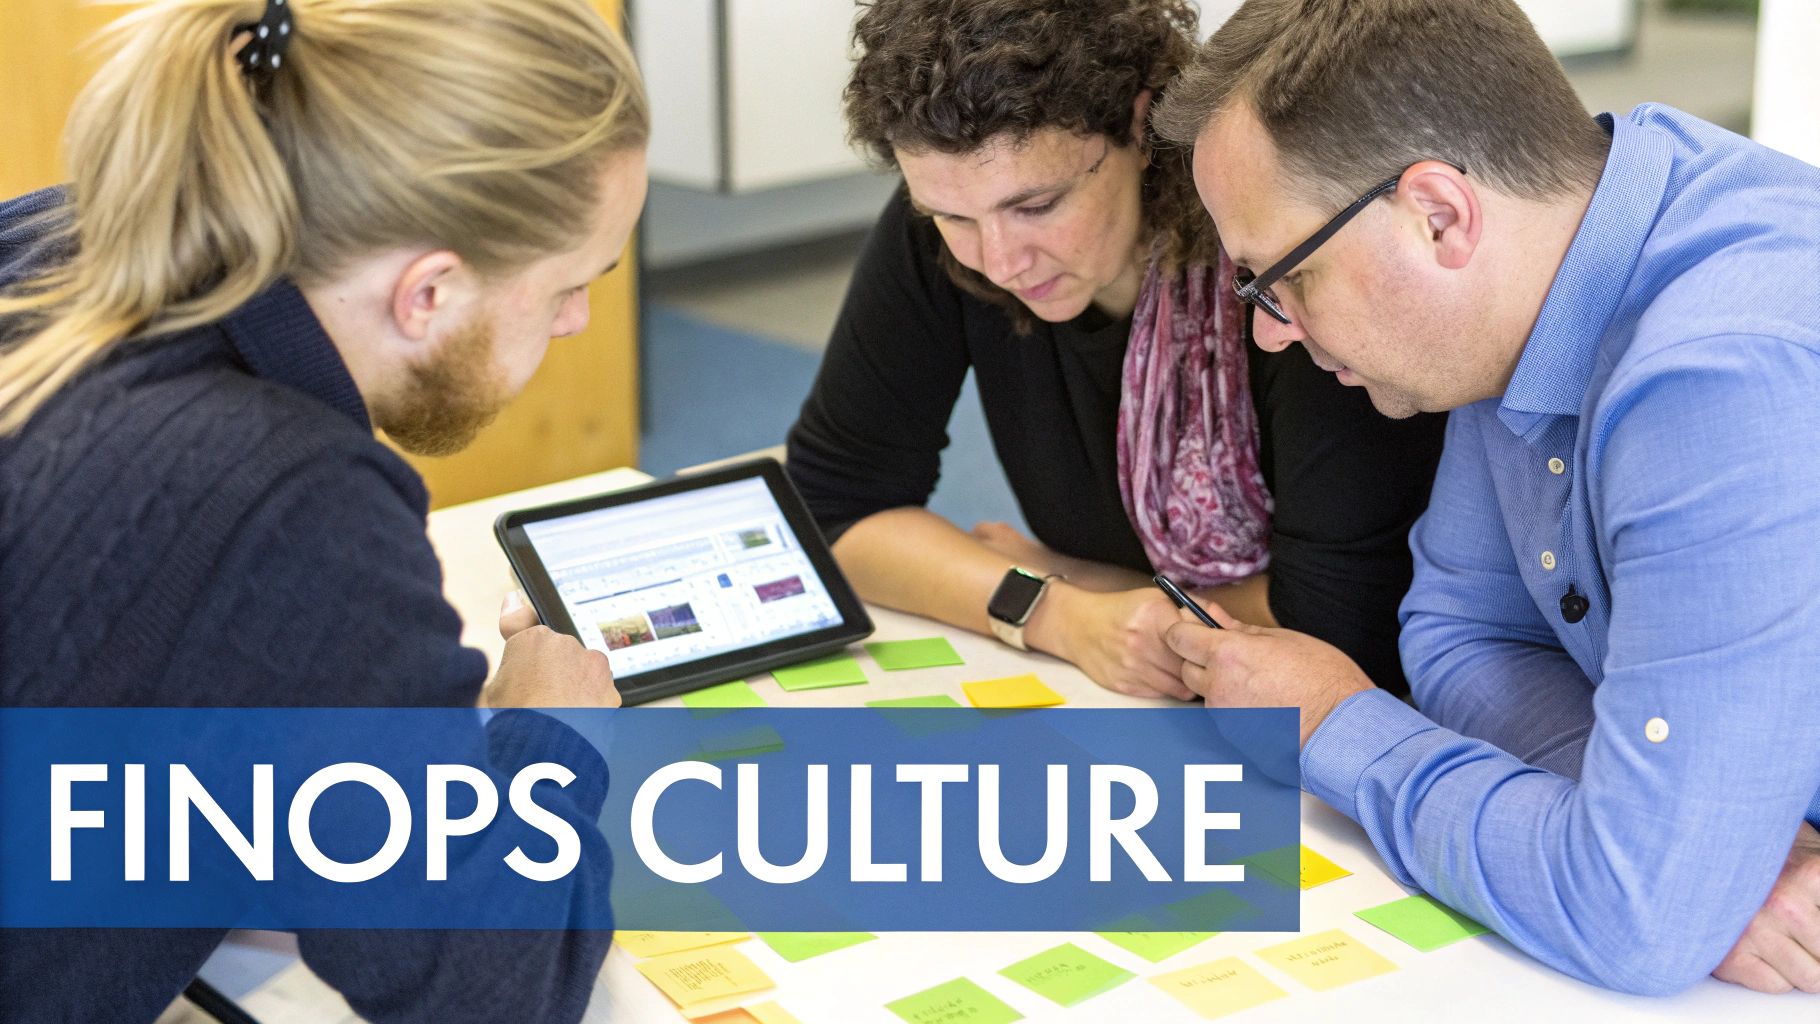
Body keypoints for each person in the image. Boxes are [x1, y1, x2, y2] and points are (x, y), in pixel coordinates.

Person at [1151, 0, 1820, 998]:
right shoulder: (1543, 261)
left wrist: (1336, 720)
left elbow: (1632, 921)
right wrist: (1682, 826)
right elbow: (1461, 637)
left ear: (1438, 215)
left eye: (1274, 279)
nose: (1267, 335)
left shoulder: (1722, 376)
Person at [0, 0, 648, 1020]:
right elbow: (494, 996)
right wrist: (548, 736)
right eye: (571, 284)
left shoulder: (50, 238)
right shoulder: (289, 500)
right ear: (427, 292)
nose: (575, 322)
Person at [784, 0, 1446, 701]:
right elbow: (833, 509)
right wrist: (1057, 612)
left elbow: (1333, 625)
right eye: (951, 217)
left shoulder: (1281, 259)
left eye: (1037, 206)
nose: (1001, 261)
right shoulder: (958, 224)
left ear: (1138, 122)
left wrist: (1077, 580)